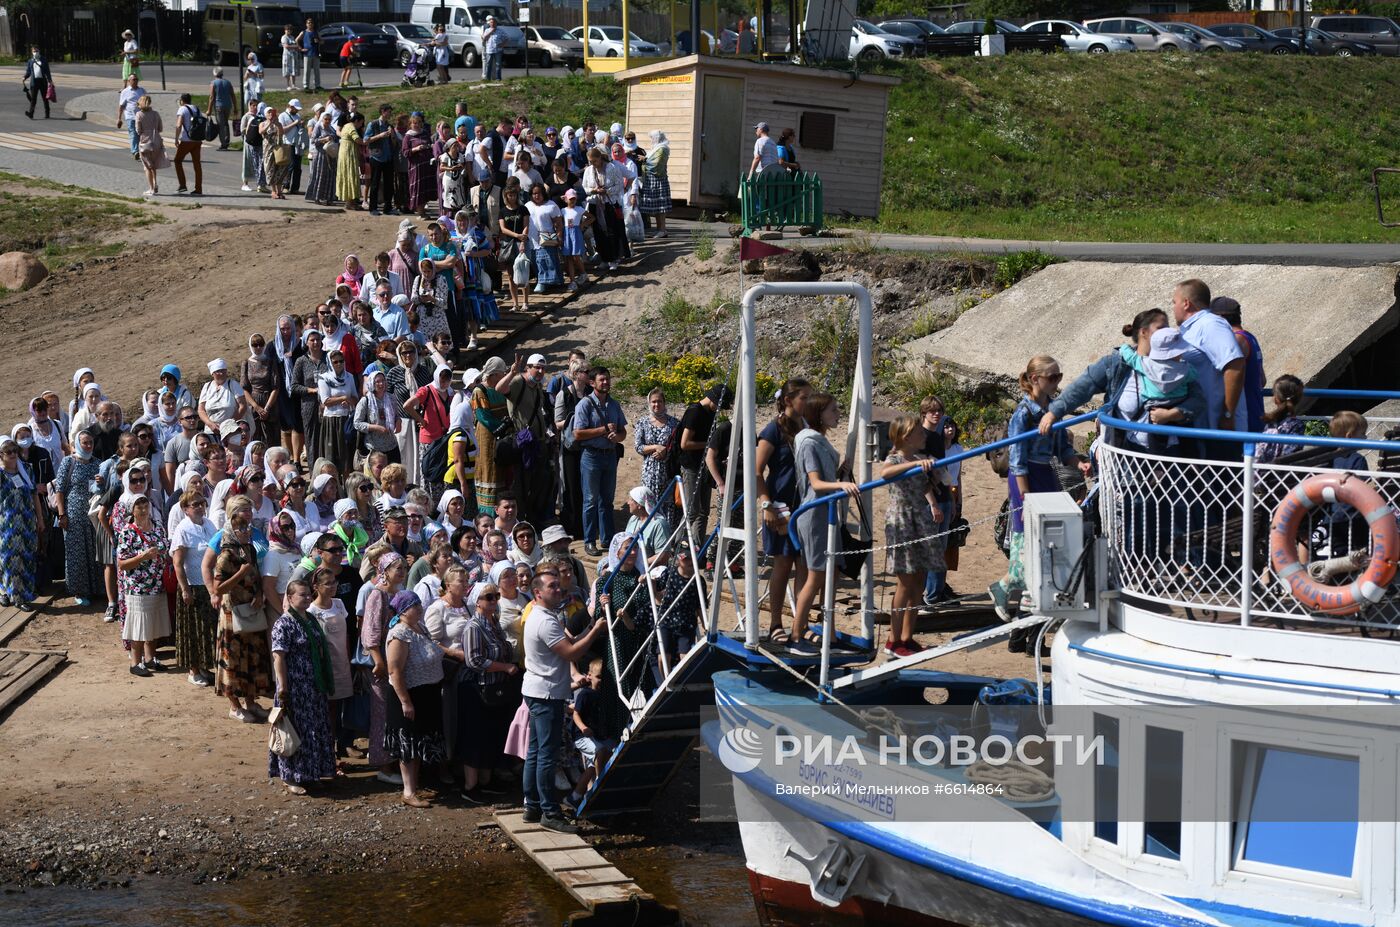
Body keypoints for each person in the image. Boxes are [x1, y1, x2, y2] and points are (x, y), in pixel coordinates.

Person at [989, 357, 1090, 639]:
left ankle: (1026, 606)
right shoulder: (1023, 413)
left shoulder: (1051, 411)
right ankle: (1007, 589)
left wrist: (1077, 463)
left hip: (1047, 472)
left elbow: (1061, 448)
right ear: (1035, 379)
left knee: (1046, 542)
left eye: (1059, 376)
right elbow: (1017, 458)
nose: (1057, 381)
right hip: (1027, 477)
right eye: (1052, 377)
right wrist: (1025, 494)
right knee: (1027, 541)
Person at [521, 571, 605, 833]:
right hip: (546, 695)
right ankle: (549, 812)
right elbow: (571, 652)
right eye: (552, 586)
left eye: (559, 585)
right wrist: (596, 633)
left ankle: (532, 805)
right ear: (538, 592)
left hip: (539, 691)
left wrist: (590, 627)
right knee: (546, 755)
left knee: (535, 752)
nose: (558, 589)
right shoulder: (544, 621)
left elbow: (568, 641)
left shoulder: (543, 616)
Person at [787, 393, 860, 653]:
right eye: (833, 410)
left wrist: (840, 472)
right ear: (819, 415)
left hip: (827, 513)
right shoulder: (808, 442)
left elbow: (822, 479)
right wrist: (841, 484)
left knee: (833, 573)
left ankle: (827, 631)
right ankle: (796, 633)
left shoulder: (819, 440)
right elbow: (815, 483)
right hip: (815, 514)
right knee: (816, 575)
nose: (838, 413)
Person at [879, 415, 945, 658]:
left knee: (919, 578)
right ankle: (893, 639)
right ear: (906, 437)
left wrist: (934, 501)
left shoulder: (919, 458)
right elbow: (885, 473)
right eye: (920, 432)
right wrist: (914, 465)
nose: (924, 436)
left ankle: (907, 636)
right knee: (905, 582)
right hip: (903, 520)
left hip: (920, 518)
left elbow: (924, 486)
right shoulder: (896, 458)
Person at [269, 579, 337, 795]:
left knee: (314, 730)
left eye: (309, 594)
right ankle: (291, 777)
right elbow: (279, 657)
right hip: (294, 688)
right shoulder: (284, 624)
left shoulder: (311, 619)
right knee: (293, 732)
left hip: (313, 687)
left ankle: (311, 773)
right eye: (302, 595)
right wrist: (283, 687)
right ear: (290, 598)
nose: (307, 598)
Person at [755, 377, 809, 641]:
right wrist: (766, 504)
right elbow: (756, 471)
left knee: (805, 565)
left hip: (805, 506)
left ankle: (801, 625)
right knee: (783, 564)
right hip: (780, 506)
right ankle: (776, 623)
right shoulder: (772, 430)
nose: (807, 402)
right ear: (789, 400)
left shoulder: (807, 426)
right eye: (803, 398)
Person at [208, 499, 272, 723]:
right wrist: (241, 573)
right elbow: (219, 587)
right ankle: (234, 706)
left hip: (251, 607)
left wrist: (259, 594)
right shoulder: (227, 554)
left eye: (247, 528)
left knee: (253, 657)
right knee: (233, 660)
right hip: (232, 611)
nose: (246, 532)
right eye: (241, 529)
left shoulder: (249, 550)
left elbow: (255, 574)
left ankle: (251, 702)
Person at [457, 579, 519, 804]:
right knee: (475, 737)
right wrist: (504, 667)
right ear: (477, 602)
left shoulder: (494, 624)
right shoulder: (474, 626)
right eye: (489, 597)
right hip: (477, 689)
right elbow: (475, 661)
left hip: (495, 688)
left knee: (492, 735)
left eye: (496, 596)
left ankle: (486, 781)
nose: (494, 601)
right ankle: (470, 786)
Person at [384, 589, 447, 808]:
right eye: (414, 605)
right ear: (402, 611)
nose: (419, 608)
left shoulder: (420, 627)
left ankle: (416, 786)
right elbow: (394, 671)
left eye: (419, 604)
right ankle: (408, 792)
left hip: (427, 694)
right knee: (408, 744)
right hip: (409, 695)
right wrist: (405, 701)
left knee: (419, 742)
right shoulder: (399, 633)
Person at [1172, 279, 1244, 457]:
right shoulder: (1190, 329)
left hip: (1218, 431)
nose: (1173, 307)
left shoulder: (1210, 325)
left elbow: (1234, 365)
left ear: (1186, 303)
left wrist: (1227, 415)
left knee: (1223, 483)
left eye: (1174, 302)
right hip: (1200, 427)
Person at [572, 366, 628, 557]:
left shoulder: (614, 404)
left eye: (607, 379)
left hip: (609, 455)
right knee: (590, 501)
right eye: (602, 380)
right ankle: (589, 541)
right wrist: (603, 430)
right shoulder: (585, 405)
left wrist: (617, 437)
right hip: (591, 456)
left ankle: (607, 539)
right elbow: (577, 433)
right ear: (592, 383)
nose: (606, 383)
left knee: (607, 500)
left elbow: (623, 432)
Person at [116, 491, 170, 677]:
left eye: (145, 505)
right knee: (139, 625)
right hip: (137, 586)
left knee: (154, 622)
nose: (144, 509)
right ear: (132, 509)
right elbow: (122, 563)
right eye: (139, 506)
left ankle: (150, 658)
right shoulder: (127, 532)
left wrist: (160, 553)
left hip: (156, 582)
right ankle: (135, 662)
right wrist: (143, 556)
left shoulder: (157, 527)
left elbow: (165, 548)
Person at [171, 489, 218, 687]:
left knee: (208, 629)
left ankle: (205, 666)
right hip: (192, 587)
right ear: (185, 509)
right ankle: (194, 670)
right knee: (194, 630)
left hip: (209, 586)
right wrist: (184, 589)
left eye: (202, 503)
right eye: (195, 504)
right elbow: (177, 563)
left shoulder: (209, 524)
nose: (200, 507)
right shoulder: (183, 529)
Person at [678, 384, 731, 549]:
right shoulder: (695, 412)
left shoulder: (710, 413)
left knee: (704, 511)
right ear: (714, 400)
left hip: (704, 466)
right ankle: (676, 544)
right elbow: (685, 444)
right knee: (692, 510)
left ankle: (697, 547)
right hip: (691, 467)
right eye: (720, 406)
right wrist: (708, 445)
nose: (720, 410)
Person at [565, 658, 615, 810]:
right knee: (600, 751)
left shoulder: (603, 695)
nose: (601, 681)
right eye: (598, 677)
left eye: (604, 678)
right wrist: (583, 727)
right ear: (589, 676)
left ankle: (574, 797)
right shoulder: (585, 694)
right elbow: (576, 714)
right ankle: (601, 785)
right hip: (582, 735)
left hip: (597, 736)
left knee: (596, 764)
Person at [1211, 295, 1266, 434]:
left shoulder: (1236, 340)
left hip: (1243, 418)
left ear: (1220, 318)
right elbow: (1262, 380)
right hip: (1256, 413)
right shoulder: (1249, 337)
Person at [0, 436, 42, 613]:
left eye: (15, 451)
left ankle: (20, 593)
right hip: (6, 524)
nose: (12, 454)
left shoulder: (26, 469)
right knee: (9, 560)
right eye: (8, 452)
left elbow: (34, 495)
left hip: (26, 522)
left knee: (25, 559)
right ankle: (13, 595)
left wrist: (40, 518)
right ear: (1, 455)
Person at [632, 388, 678, 526]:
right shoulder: (643, 422)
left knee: (668, 504)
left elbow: (678, 448)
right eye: (653, 402)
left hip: (668, 472)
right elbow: (638, 446)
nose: (656, 404)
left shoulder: (674, 423)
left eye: (659, 401)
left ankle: (667, 536)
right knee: (649, 504)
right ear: (649, 403)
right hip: (650, 473)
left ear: (664, 403)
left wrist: (666, 451)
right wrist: (656, 447)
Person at [316, 350, 359, 476]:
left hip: (346, 419)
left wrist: (349, 401)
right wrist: (343, 398)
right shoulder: (324, 378)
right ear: (330, 363)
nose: (339, 364)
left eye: (341, 361)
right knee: (331, 455)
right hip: (331, 420)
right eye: (335, 362)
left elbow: (355, 397)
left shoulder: (349, 377)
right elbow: (326, 401)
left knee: (346, 455)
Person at [1258, 375, 1306, 465]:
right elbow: (1291, 455)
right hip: (1279, 474)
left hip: (1257, 471)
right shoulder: (1297, 425)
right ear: (1299, 398)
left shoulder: (1267, 420)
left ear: (1275, 399)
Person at [526, 184, 564, 295]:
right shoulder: (528, 205)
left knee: (547, 260)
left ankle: (547, 282)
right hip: (532, 238)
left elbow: (559, 223)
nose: (536, 196)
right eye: (534, 193)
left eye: (538, 193)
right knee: (536, 261)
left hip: (548, 237)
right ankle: (541, 281)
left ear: (543, 193)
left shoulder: (551, 205)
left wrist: (559, 236)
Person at [134, 95, 170, 198]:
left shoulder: (139, 114)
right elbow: (160, 128)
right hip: (157, 140)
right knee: (153, 164)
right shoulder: (156, 114)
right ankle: (155, 183)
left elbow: (138, 130)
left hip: (145, 140)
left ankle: (151, 189)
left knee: (147, 166)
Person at [403, 113, 437, 218]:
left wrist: (429, 146)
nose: (416, 125)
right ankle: (420, 213)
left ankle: (424, 212)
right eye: (414, 123)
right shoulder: (408, 136)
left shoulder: (425, 133)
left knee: (426, 188)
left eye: (418, 123)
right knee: (418, 189)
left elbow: (431, 145)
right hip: (416, 167)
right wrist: (416, 149)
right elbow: (405, 152)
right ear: (410, 124)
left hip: (426, 166)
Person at [639, 130, 672, 238]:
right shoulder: (657, 148)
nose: (652, 140)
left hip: (658, 180)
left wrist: (644, 159)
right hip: (652, 180)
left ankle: (662, 229)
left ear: (657, 138)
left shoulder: (662, 149)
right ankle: (659, 229)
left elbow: (656, 164)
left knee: (661, 206)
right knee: (657, 206)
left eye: (653, 138)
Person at [304, 109, 339, 206]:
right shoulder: (318, 127)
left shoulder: (331, 128)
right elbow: (313, 140)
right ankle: (317, 197)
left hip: (330, 155)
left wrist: (332, 139)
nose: (327, 121)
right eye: (326, 119)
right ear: (322, 119)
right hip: (320, 155)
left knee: (330, 176)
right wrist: (324, 139)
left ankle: (329, 198)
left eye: (329, 119)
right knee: (319, 175)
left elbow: (336, 138)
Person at [336, 112, 367, 210]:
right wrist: (372, 139)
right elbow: (358, 140)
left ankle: (349, 202)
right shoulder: (351, 127)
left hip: (345, 153)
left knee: (347, 175)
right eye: (361, 123)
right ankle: (350, 202)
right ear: (357, 121)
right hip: (348, 154)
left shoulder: (346, 126)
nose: (361, 125)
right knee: (350, 175)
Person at [261, 105, 291, 200]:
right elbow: (261, 132)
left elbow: (281, 133)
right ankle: (273, 191)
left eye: (272, 112)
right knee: (270, 169)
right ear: (265, 114)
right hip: (268, 150)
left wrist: (277, 124)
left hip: (278, 149)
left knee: (280, 168)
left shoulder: (278, 123)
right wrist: (269, 123)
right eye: (268, 112)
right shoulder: (262, 123)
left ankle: (279, 191)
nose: (270, 114)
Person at [240, 101, 267, 193]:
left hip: (258, 143)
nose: (254, 107)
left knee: (258, 163)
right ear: (249, 106)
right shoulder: (247, 116)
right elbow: (242, 130)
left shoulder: (260, 117)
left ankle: (260, 183)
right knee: (247, 163)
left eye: (256, 106)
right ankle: (245, 183)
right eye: (253, 105)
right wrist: (251, 128)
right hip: (248, 143)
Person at [117, 74, 145, 161]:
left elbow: (146, 103)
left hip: (141, 116)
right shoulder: (125, 92)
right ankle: (135, 151)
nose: (135, 81)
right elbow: (121, 106)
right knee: (133, 133)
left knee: (141, 134)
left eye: (136, 79)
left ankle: (142, 150)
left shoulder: (142, 91)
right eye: (133, 79)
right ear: (129, 81)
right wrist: (119, 118)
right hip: (130, 116)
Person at [206, 67, 235, 150]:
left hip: (219, 106)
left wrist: (209, 109)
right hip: (228, 105)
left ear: (214, 74)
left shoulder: (213, 83)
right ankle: (227, 140)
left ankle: (223, 143)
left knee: (220, 125)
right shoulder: (228, 83)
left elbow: (211, 97)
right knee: (226, 123)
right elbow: (232, 95)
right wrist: (235, 107)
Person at [23, 46, 52, 120]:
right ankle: (31, 114)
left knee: (45, 98)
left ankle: (47, 113)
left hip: (42, 81)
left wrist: (50, 80)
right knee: (33, 99)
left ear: (39, 51)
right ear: (32, 52)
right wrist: (25, 77)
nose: (35, 52)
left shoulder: (44, 60)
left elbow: (47, 71)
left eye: (36, 51)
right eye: (33, 51)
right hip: (34, 82)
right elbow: (28, 71)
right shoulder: (30, 61)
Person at [298, 18, 323, 93]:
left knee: (317, 71)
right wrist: (300, 49)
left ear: (313, 24)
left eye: (311, 23)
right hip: (307, 54)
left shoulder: (316, 32)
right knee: (306, 71)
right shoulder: (303, 32)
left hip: (315, 53)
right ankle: (306, 85)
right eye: (308, 23)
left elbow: (322, 41)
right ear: (306, 24)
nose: (310, 24)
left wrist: (318, 41)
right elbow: (296, 40)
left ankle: (317, 85)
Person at [280, 23, 301, 92]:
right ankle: (288, 85)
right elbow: (286, 46)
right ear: (285, 30)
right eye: (287, 30)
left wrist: (299, 48)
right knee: (287, 70)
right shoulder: (284, 37)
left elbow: (296, 44)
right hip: (287, 56)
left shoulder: (292, 37)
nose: (288, 31)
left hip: (293, 56)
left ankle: (293, 85)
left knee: (293, 70)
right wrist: (295, 46)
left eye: (290, 30)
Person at [482, 16, 503, 81]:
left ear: (496, 23)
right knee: (488, 64)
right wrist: (491, 32)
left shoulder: (500, 30)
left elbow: (507, 38)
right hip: (489, 50)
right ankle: (488, 78)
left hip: (498, 50)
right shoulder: (487, 30)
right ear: (489, 24)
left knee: (498, 65)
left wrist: (503, 44)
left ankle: (498, 78)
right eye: (491, 23)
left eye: (494, 23)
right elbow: (484, 38)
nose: (492, 24)